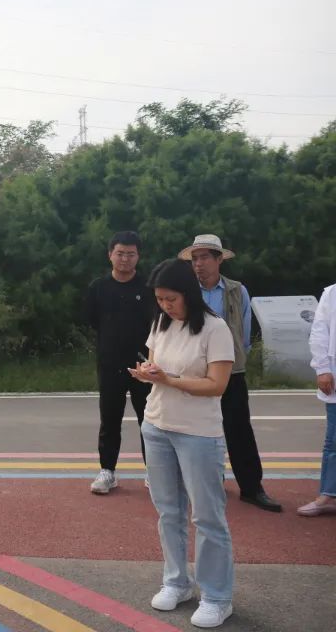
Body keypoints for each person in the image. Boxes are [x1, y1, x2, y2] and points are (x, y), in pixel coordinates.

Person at [129, 258, 235, 629]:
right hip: (157, 426)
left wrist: (169, 380)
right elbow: (155, 365)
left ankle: (217, 597)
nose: (165, 306)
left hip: (198, 433)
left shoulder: (215, 328)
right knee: (169, 512)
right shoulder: (160, 322)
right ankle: (176, 582)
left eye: (171, 299)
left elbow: (217, 385)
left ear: (188, 293)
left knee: (207, 516)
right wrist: (148, 373)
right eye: (159, 299)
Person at [180, 234, 281, 512]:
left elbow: (244, 333)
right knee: (198, 431)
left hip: (231, 370)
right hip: (196, 372)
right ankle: (208, 484)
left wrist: (233, 358)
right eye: (194, 259)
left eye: (204, 257)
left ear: (219, 259)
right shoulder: (185, 290)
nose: (198, 264)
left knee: (239, 430)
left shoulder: (237, 290)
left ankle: (252, 488)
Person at [85, 230, 154, 494]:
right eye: (120, 253)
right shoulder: (98, 288)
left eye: (131, 254)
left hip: (143, 365)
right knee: (110, 419)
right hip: (109, 363)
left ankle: (154, 472)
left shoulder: (148, 287)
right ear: (110, 255)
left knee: (149, 420)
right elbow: (93, 321)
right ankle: (107, 472)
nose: (125, 259)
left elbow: (156, 324)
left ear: (139, 256)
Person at [299, 281, 336, 516]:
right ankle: (328, 494)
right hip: (335, 375)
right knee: (334, 441)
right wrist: (322, 368)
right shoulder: (332, 293)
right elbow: (320, 331)